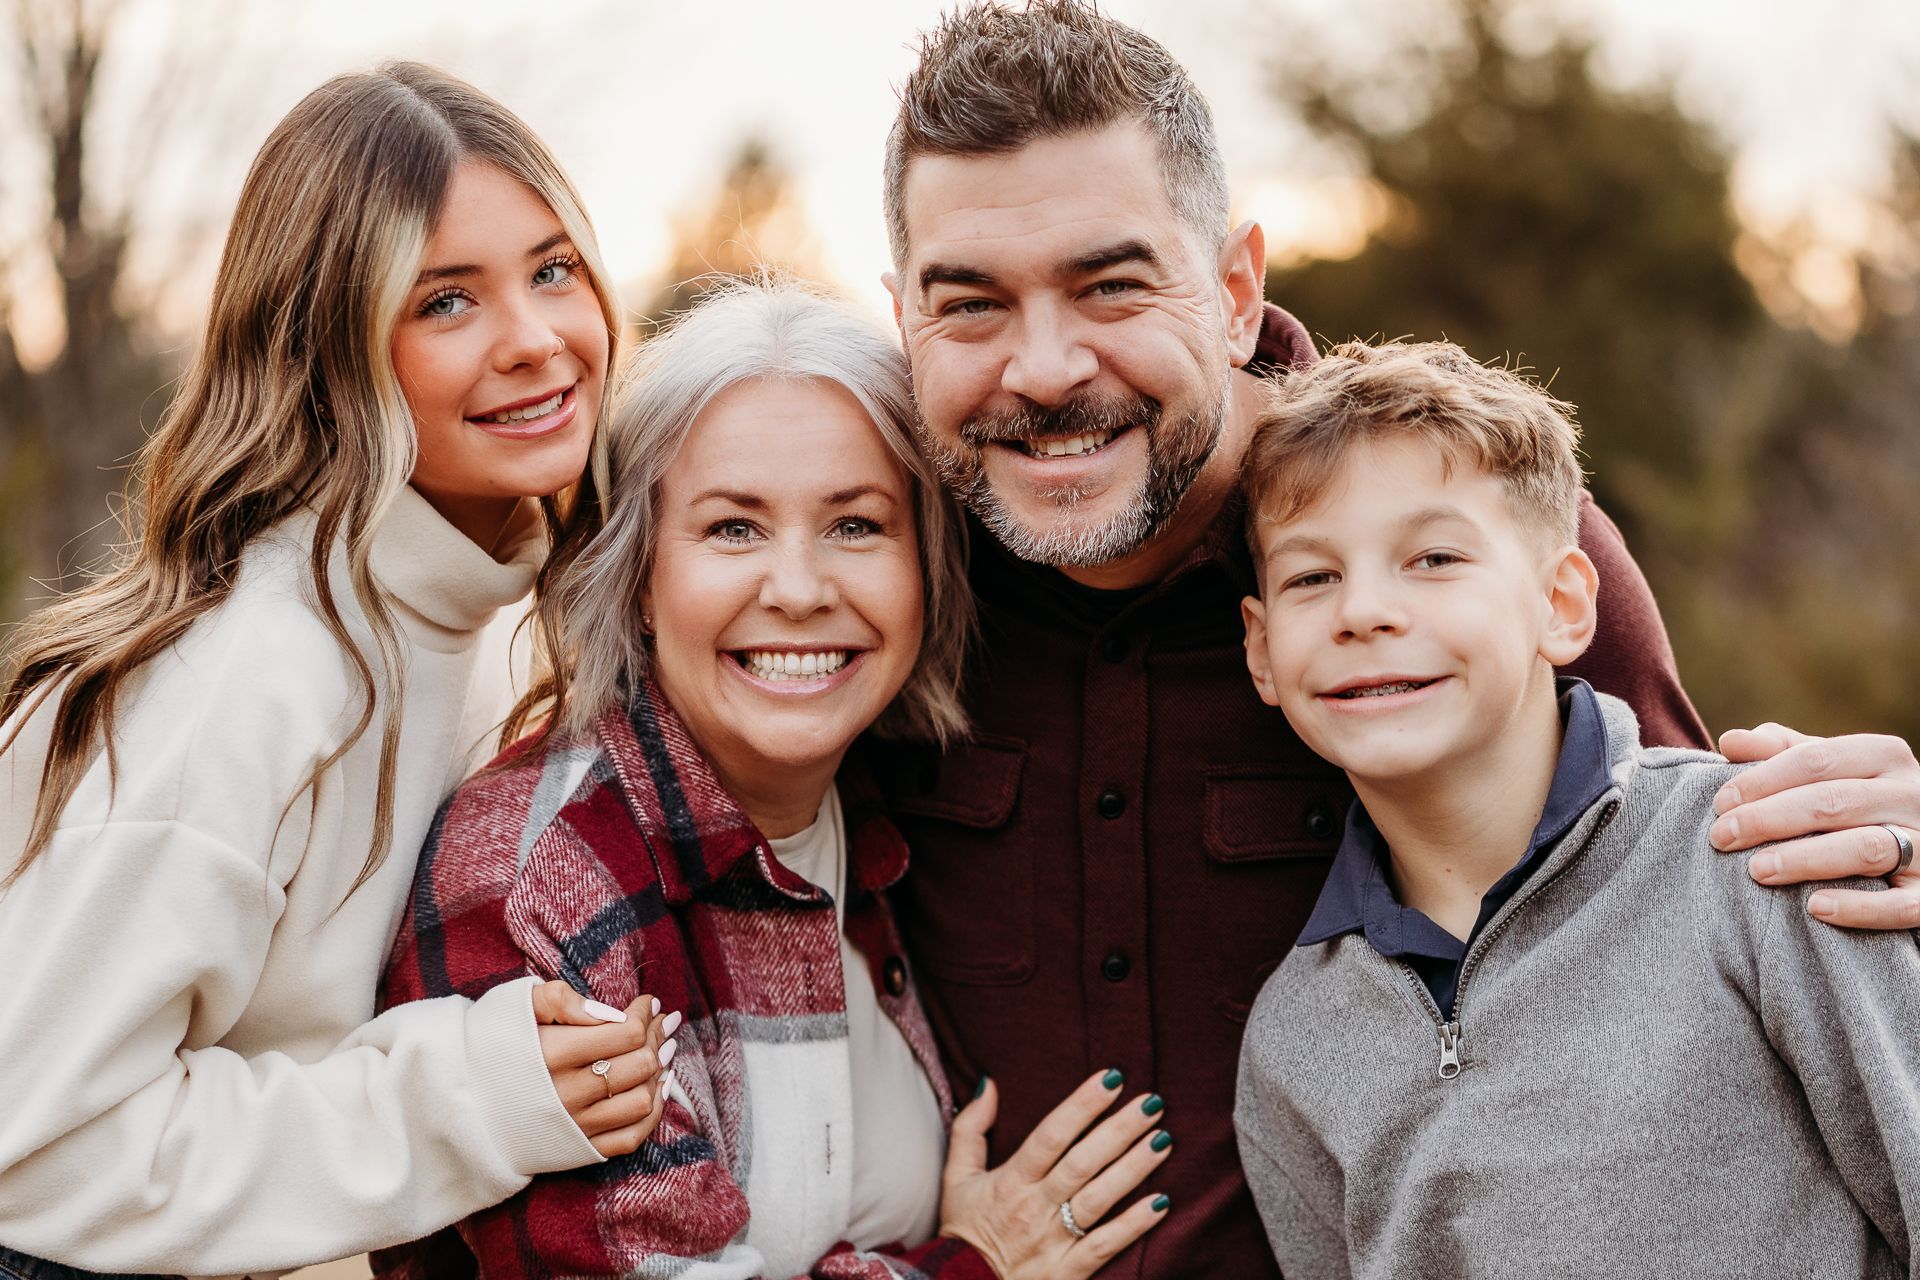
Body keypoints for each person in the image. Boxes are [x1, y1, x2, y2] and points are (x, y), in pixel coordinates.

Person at [870, 3, 1920, 1274]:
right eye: (969, 304)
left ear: (1235, 287)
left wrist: (1888, 844)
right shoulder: (870, 588)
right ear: (902, 318)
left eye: (1111, 283)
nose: (1041, 368)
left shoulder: (1482, 547)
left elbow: (1666, 898)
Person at [0, 64, 674, 1278]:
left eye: (554, 269)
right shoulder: (242, 672)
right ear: (326, 348)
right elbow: (43, 1148)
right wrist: (466, 1096)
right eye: (447, 301)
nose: (536, 339)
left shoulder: (514, 625)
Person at [375, 280, 1176, 1280]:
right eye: (733, 529)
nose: (799, 590)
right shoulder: (541, 877)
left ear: (926, 568)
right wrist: (976, 1263)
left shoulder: (876, 817)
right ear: (640, 579)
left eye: (856, 525)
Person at [1232, 339, 1920, 1277]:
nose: (1363, 611)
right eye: (1313, 576)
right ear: (1263, 650)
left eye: (1433, 557)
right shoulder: (1294, 1041)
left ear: (1561, 603)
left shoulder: (1762, 856)